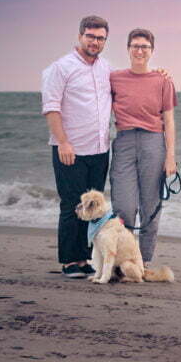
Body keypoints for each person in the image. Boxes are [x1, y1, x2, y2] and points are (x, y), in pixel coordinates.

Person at [42, 15, 112, 278]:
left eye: (100, 38)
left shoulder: (106, 68)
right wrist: (63, 142)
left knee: (93, 205)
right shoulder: (60, 68)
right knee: (72, 203)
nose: (95, 42)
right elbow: (51, 108)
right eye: (91, 36)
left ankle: (85, 258)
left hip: (99, 149)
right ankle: (70, 261)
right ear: (80, 35)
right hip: (70, 148)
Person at [109, 28, 177, 267]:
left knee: (151, 206)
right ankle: (124, 258)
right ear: (128, 49)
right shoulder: (114, 78)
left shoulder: (163, 80)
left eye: (144, 47)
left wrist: (171, 157)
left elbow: (169, 121)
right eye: (135, 46)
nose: (140, 50)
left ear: (152, 51)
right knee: (124, 206)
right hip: (124, 141)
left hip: (153, 142)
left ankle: (144, 260)